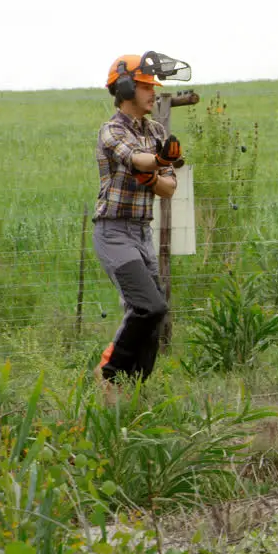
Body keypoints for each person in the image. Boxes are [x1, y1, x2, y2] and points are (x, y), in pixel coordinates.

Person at [92, 51, 191, 388]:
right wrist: (157, 162)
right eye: (147, 85)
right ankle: (107, 374)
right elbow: (134, 158)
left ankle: (134, 391)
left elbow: (168, 188)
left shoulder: (156, 130)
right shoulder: (111, 131)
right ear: (125, 87)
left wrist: (154, 174)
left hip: (141, 233)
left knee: (156, 314)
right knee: (147, 307)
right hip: (113, 233)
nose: (154, 91)